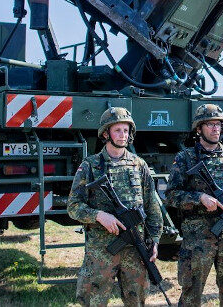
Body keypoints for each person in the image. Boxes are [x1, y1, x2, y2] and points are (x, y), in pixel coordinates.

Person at [68, 107, 164, 307]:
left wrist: (154, 240)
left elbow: (152, 208)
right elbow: (73, 206)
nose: (123, 135)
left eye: (126, 130)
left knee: (136, 301)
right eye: (117, 130)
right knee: (93, 301)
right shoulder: (90, 166)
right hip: (101, 249)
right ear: (106, 133)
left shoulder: (139, 165)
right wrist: (99, 216)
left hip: (135, 248)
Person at [163, 104, 223, 306]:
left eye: (219, 124)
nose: (215, 129)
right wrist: (198, 198)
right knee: (191, 293)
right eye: (210, 124)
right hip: (198, 238)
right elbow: (171, 195)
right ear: (199, 129)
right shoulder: (185, 158)